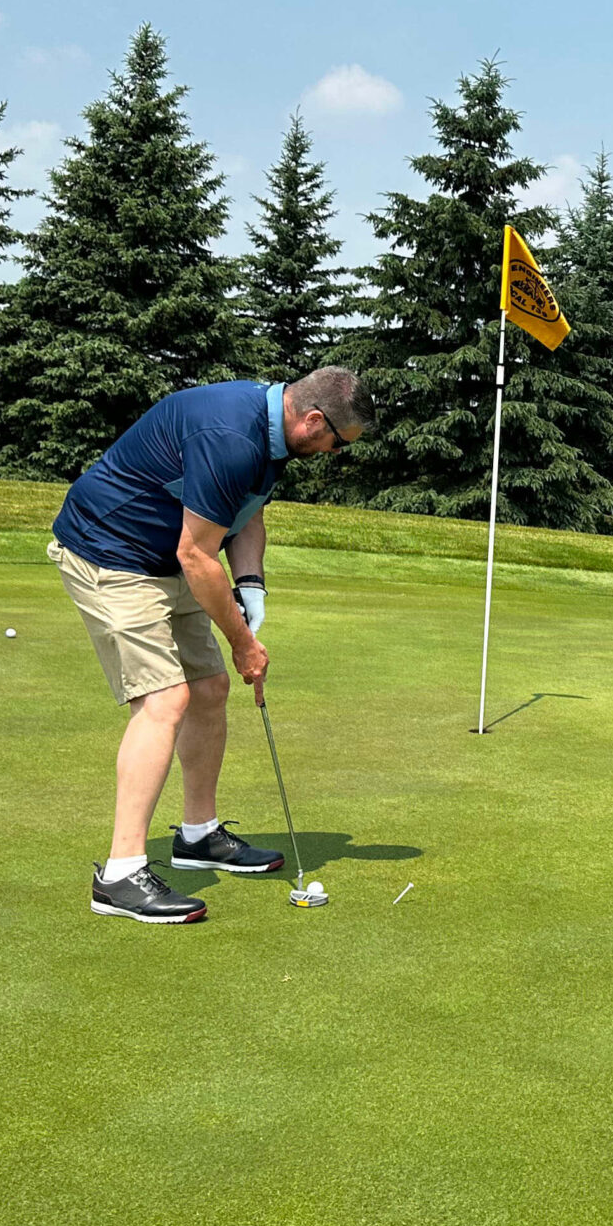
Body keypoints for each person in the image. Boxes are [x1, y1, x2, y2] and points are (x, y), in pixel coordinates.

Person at [49, 367, 372, 924]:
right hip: (110, 552)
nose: (333, 454)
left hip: (166, 558)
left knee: (209, 687)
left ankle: (197, 835)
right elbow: (197, 555)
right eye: (337, 443)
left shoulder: (272, 434)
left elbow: (248, 513)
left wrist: (251, 584)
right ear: (313, 420)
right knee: (164, 699)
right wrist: (244, 643)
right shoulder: (231, 436)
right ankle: (120, 875)